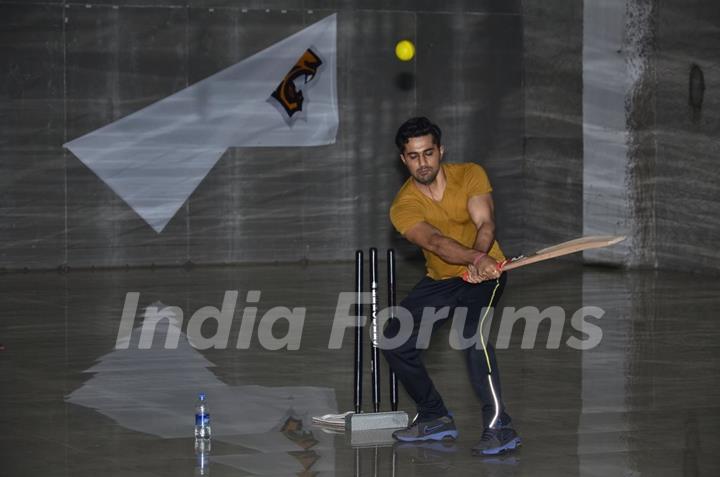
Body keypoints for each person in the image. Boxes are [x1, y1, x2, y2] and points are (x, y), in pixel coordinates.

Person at [383, 116, 521, 455]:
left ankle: (499, 426)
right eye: (413, 156)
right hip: (443, 278)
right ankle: (434, 415)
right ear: (404, 160)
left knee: (473, 337)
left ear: (441, 150)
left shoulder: (471, 174)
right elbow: (436, 242)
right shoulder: (403, 206)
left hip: (488, 274)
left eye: (428, 153)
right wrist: (471, 259)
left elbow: (485, 222)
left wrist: (481, 259)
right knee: (393, 337)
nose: (423, 162)